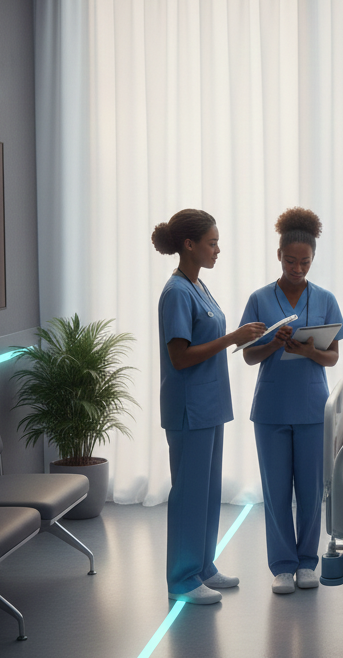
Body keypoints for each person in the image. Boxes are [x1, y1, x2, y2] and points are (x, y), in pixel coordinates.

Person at [152, 209, 266, 605]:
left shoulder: (198, 285)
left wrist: (244, 337)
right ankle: (182, 579)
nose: (218, 249)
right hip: (189, 408)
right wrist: (234, 335)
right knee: (189, 493)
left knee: (207, 491)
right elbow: (180, 357)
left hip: (210, 404)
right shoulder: (177, 293)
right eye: (212, 242)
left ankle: (203, 566)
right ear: (189, 244)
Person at [240, 207, 343, 595]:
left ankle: (307, 562)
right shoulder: (258, 299)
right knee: (276, 492)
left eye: (305, 261)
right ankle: (282, 566)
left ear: (313, 259)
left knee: (310, 491)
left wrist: (307, 351)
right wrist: (273, 343)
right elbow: (249, 355)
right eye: (291, 261)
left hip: (312, 407)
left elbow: (333, 356)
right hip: (270, 408)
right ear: (279, 256)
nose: (298, 268)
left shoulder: (326, 299)